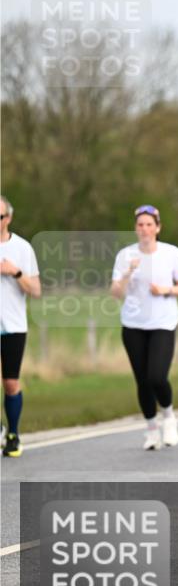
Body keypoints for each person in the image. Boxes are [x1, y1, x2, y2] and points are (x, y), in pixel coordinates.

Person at [110, 205, 178, 450]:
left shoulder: (171, 253)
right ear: (135, 228)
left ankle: (168, 416)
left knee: (157, 376)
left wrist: (167, 290)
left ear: (158, 228)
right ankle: (151, 429)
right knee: (142, 381)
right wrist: (128, 272)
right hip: (133, 324)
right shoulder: (126, 255)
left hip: (162, 323)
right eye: (140, 225)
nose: (144, 229)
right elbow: (116, 292)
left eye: (149, 224)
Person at [0, 196, 42, 458]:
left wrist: (14, 272)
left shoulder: (22, 248)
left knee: (10, 383)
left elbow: (36, 290)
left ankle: (13, 435)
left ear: (8, 218)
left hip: (13, 325)